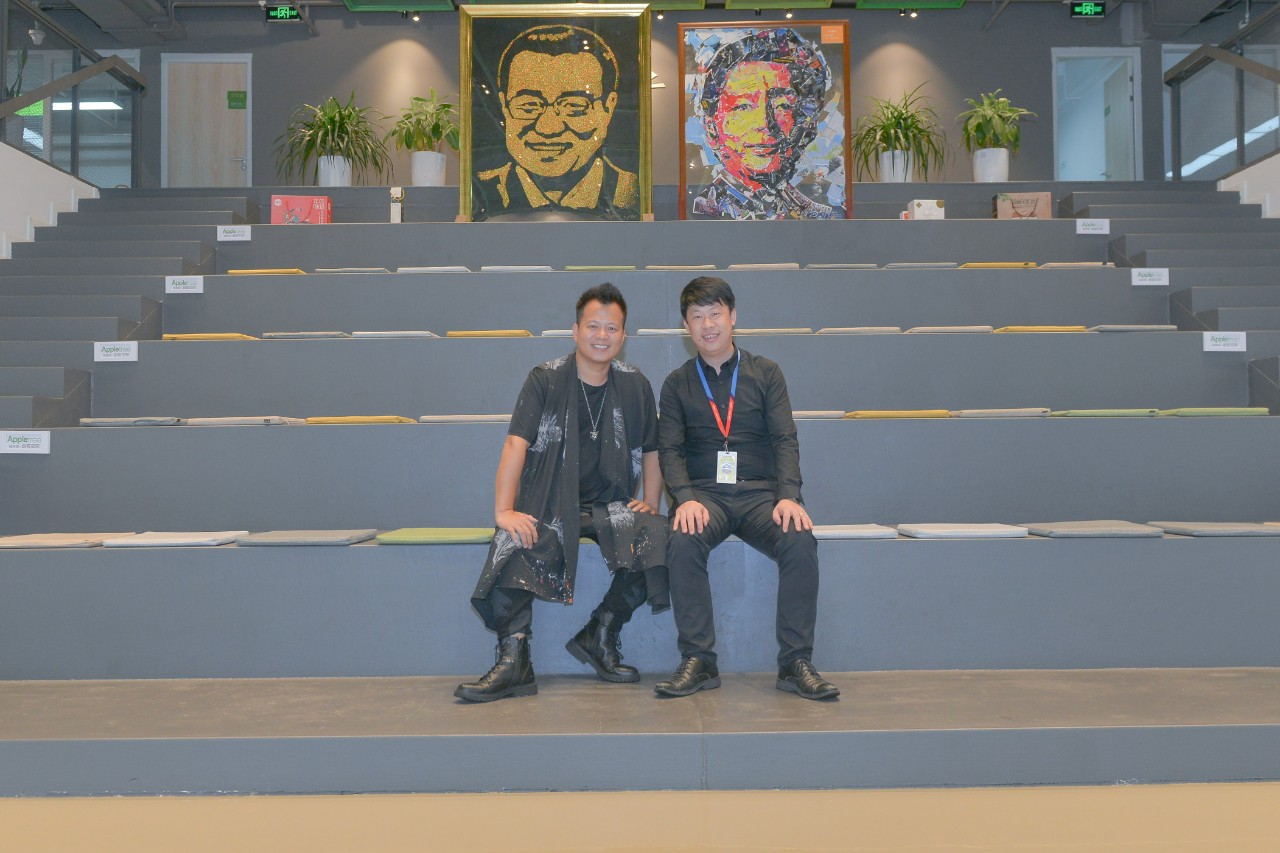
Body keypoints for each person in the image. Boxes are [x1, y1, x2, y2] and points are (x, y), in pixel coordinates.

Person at [457, 283, 667, 702]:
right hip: (550, 501)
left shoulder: (635, 384)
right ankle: (514, 658)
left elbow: (652, 449)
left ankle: (601, 633)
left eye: (612, 328)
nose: (602, 336)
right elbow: (515, 444)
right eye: (593, 326)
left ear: (624, 335)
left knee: (661, 536)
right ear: (575, 331)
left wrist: (651, 501)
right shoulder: (546, 378)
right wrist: (504, 510)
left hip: (610, 504)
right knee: (513, 540)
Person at [655, 276, 838, 700]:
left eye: (715, 313)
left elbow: (784, 439)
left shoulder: (766, 373)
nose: (708, 325)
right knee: (682, 539)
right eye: (697, 316)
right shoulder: (676, 384)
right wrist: (684, 499)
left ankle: (795, 662)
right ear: (686, 325)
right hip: (706, 495)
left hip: (761, 494)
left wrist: (788, 496)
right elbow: (670, 451)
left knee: (799, 539)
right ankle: (699, 660)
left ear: (733, 317)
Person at [474, 24, 639, 221]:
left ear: (608, 108)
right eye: (529, 106)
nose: (548, 128)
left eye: (574, 106)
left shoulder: (629, 190)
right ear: (504, 107)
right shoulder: (482, 191)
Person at [690, 28, 838, 220]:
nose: (764, 124)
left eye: (782, 106)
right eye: (742, 107)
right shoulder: (704, 212)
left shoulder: (814, 213)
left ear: (805, 124)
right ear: (712, 127)